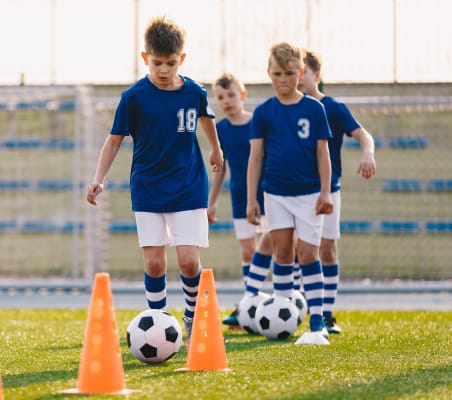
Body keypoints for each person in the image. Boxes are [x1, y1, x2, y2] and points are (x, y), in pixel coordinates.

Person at [86, 16, 223, 349]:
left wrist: (216, 149)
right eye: (158, 62)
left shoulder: (194, 91)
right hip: (147, 187)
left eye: (171, 63)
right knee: (155, 262)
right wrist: (98, 179)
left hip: (189, 184)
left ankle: (191, 317)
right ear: (145, 58)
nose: (164, 69)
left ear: (182, 60)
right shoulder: (134, 97)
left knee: (189, 260)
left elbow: (205, 118)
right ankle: (159, 325)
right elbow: (114, 140)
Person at [247, 42, 333, 345]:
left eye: (288, 73)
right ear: (268, 74)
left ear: (300, 73)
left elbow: (323, 154)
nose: (282, 79)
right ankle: (283, 310)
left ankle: (318, 320)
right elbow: (255, 158)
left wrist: (326, 192)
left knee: (308, 254)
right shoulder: (263, 113)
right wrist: (252, 198)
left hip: (309, 194)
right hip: (276, 194)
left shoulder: (314, 109)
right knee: (282, 252)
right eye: (276, 73)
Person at [298, 49, 376, 334]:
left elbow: (363, 134)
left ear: (316, 75)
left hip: (328, 191)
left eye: (301, 72)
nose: (296, 78)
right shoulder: (288, 109)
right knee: (297, 250)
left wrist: (368, 153)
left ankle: (327, 314)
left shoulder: (333, 107)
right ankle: (295, 309)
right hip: (294, 191)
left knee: (326, 250)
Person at [208, 73, 273, 327]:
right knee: (248, 250)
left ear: (243, 95)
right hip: (238, 198)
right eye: (221, 97)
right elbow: (220, 169)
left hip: (267, 195)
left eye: (231, 95)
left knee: (279, 248)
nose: (227, 101)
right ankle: (250, 303)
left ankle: (284, 299)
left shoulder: (258, 123)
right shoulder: (220, 130)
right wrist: (211, 202)